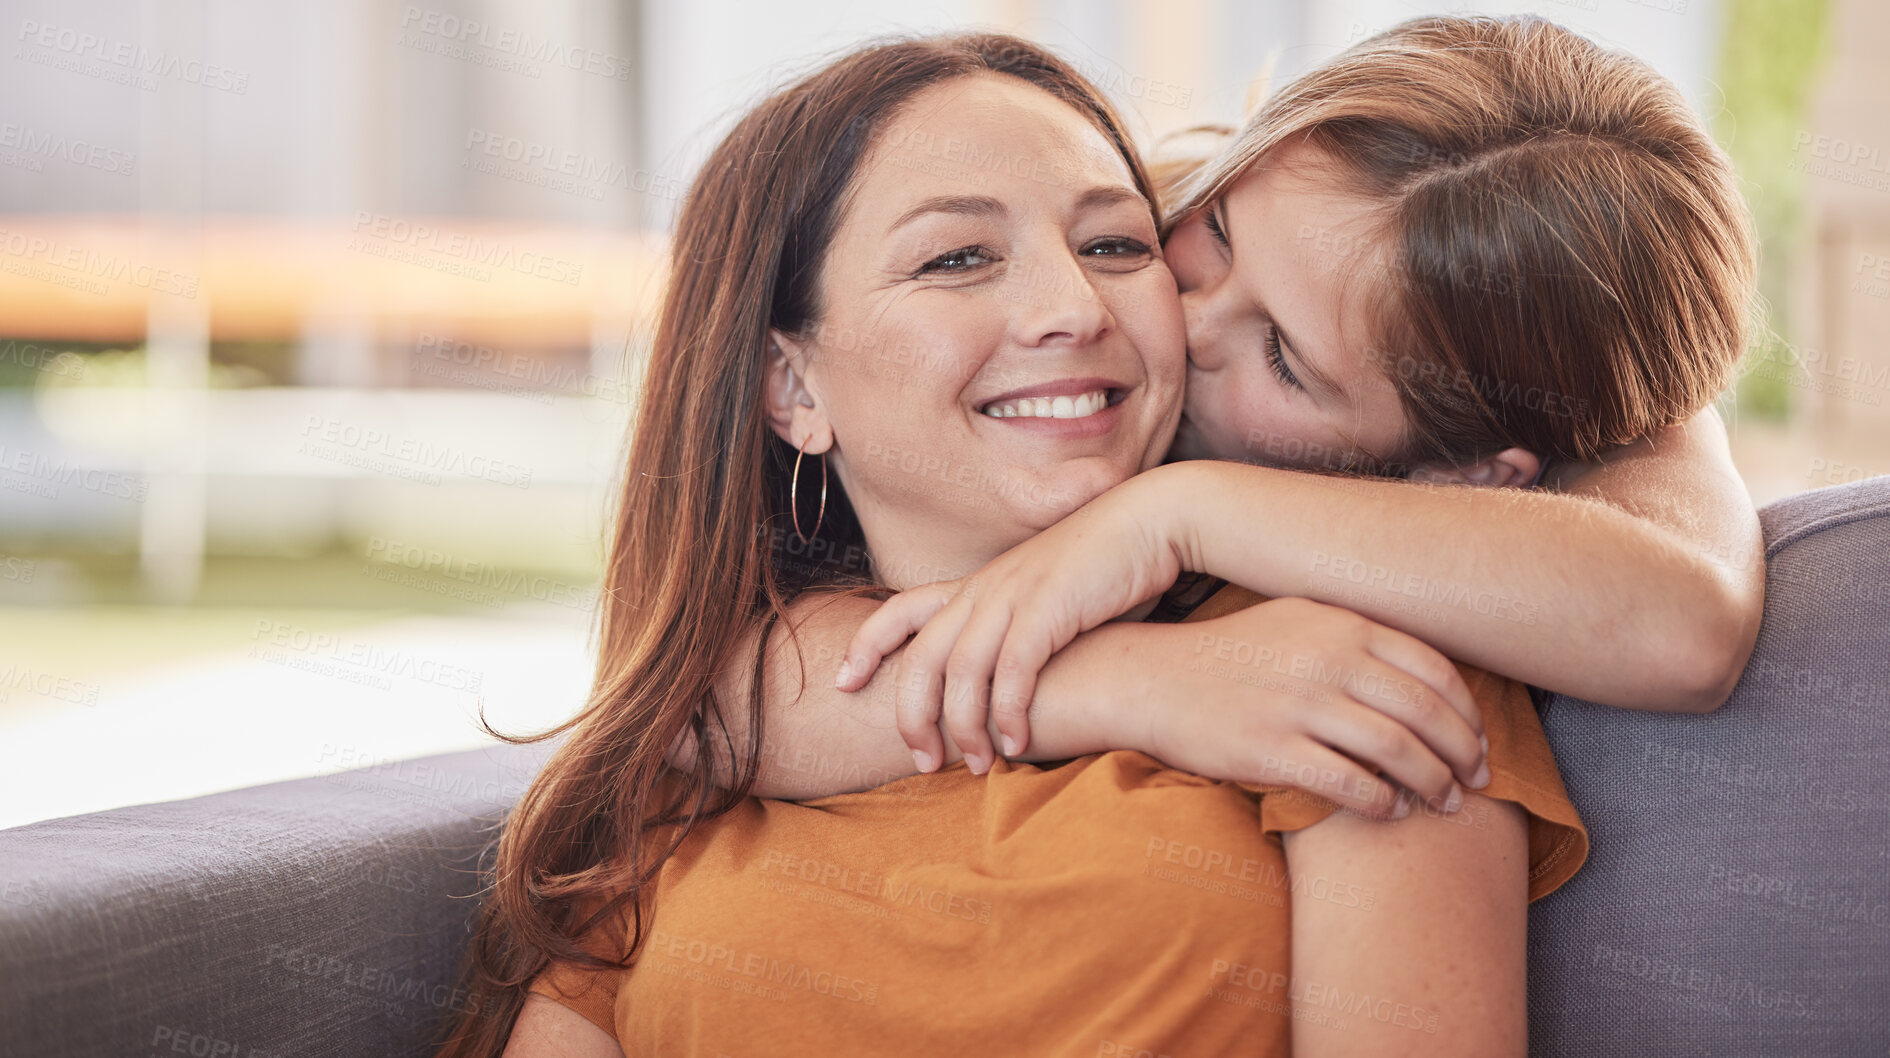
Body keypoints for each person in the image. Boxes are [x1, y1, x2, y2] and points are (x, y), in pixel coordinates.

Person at [435, 17, 1753, 1058]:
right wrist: (1124, 679)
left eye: (1112, 242)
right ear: (790, 387)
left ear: (1463, 465)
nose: (1121, 306)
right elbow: (692, 707)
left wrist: (1180, 509)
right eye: (955, 260)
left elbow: (1675, 612)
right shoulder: (735, 719)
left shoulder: (1347, 661)